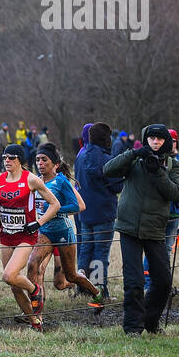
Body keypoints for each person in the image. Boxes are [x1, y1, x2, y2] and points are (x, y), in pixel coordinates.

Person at [104, 125, 179, 335]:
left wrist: (157, 171)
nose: (155, 142)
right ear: (145, 140)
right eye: (151, 138)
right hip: (129, 227)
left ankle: (150, 321)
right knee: (134, 281)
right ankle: (133, 328)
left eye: (159, 139)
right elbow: (108, 170)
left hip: (156, 228)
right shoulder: (134, 159)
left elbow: (175, 193)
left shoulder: (173, 165)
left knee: (163, 281)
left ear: (165, 142)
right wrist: (133, 153)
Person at [0, 144, 61, 331]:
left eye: (11, 158)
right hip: (6, 236)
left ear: (21, 161)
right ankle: (35, 322)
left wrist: (38, 223)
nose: (6, 161)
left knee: (9, 275)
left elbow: (55, 204)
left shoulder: (31, 180)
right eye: (5, 157)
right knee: (14, 285)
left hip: (26, 236)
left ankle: (34, 290)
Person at [27, 143, 104, 311]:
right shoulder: (35, 181)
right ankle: (34, 309)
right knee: (33, 265)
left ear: (55, 164)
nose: (40, 163)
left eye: (44, 160)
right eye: (38, 160)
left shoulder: (61, 181)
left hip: (64, 232)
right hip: (45, 232)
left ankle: (97, 293)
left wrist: (55, 209)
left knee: (71, 275)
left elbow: (77, 206)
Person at [75, 122, 122, 298]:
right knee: (100, 252)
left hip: (85, 211)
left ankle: (81, 287)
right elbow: (117, 185)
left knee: (86, 250)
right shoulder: (107, 159)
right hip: (103, 211)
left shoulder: (80, 156)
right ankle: (99, 289)